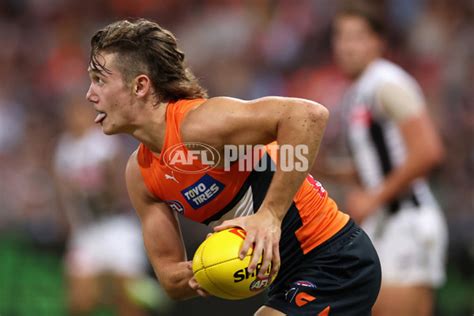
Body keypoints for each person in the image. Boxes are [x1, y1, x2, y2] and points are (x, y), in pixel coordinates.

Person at [86, 18, 381, 315]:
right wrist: (211, 267)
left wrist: (269, 215)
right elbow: (171, 279)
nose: (90, 94)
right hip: (285, 280)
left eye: (99, 79)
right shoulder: (139, 175)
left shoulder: (199, 124)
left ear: (139, 86)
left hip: (333, 258)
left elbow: (309, 116)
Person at [332, 1, 448, 316]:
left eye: (356, 37)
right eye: (340, 37)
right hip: (388, 225)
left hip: (406, 222)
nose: (345, 46)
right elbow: (375, 165)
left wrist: (374, 198)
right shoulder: (359, 91)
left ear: (378, 42)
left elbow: (428, 150)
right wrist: (320, 170)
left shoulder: (386, 83)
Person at [54, 98, 147, 316]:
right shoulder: (63, 149)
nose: (73, 119)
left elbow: (119, 186)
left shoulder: (104, 142)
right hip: (86, 230)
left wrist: (94, 189)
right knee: (79, 300)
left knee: (127, 299)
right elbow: (61, 191)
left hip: (116, 227)